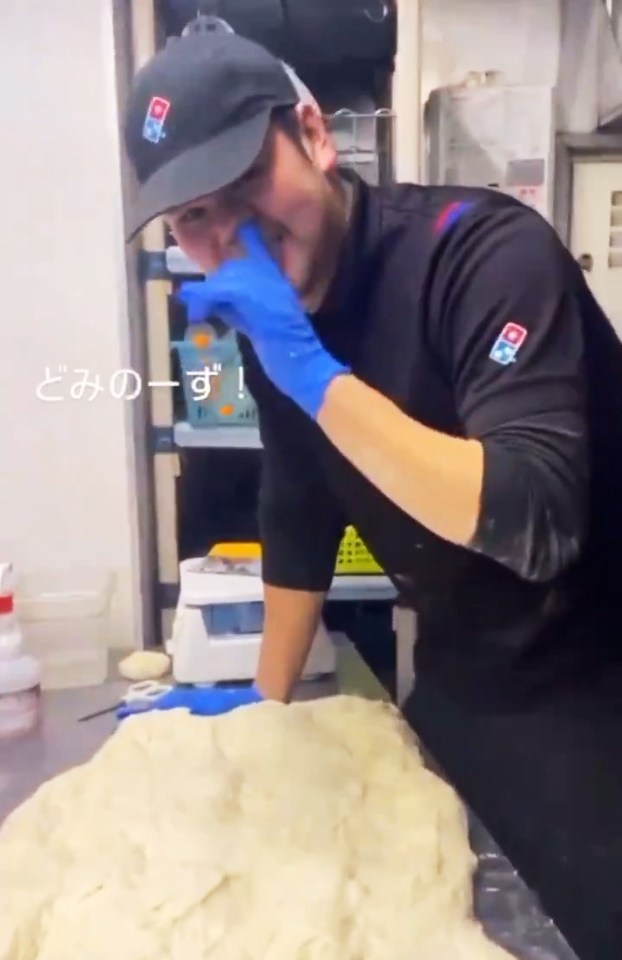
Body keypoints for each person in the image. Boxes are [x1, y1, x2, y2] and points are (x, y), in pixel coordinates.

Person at [122, 28, 622, 960]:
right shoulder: (274, 327)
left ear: (312, 133)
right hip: (472, 671)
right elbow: (299, 509)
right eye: (192, 218)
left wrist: (314, 376)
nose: (227, 237)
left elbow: (536, 517)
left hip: (600, 663)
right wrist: (263, 719)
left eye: (243, 185)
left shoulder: (482, 257)